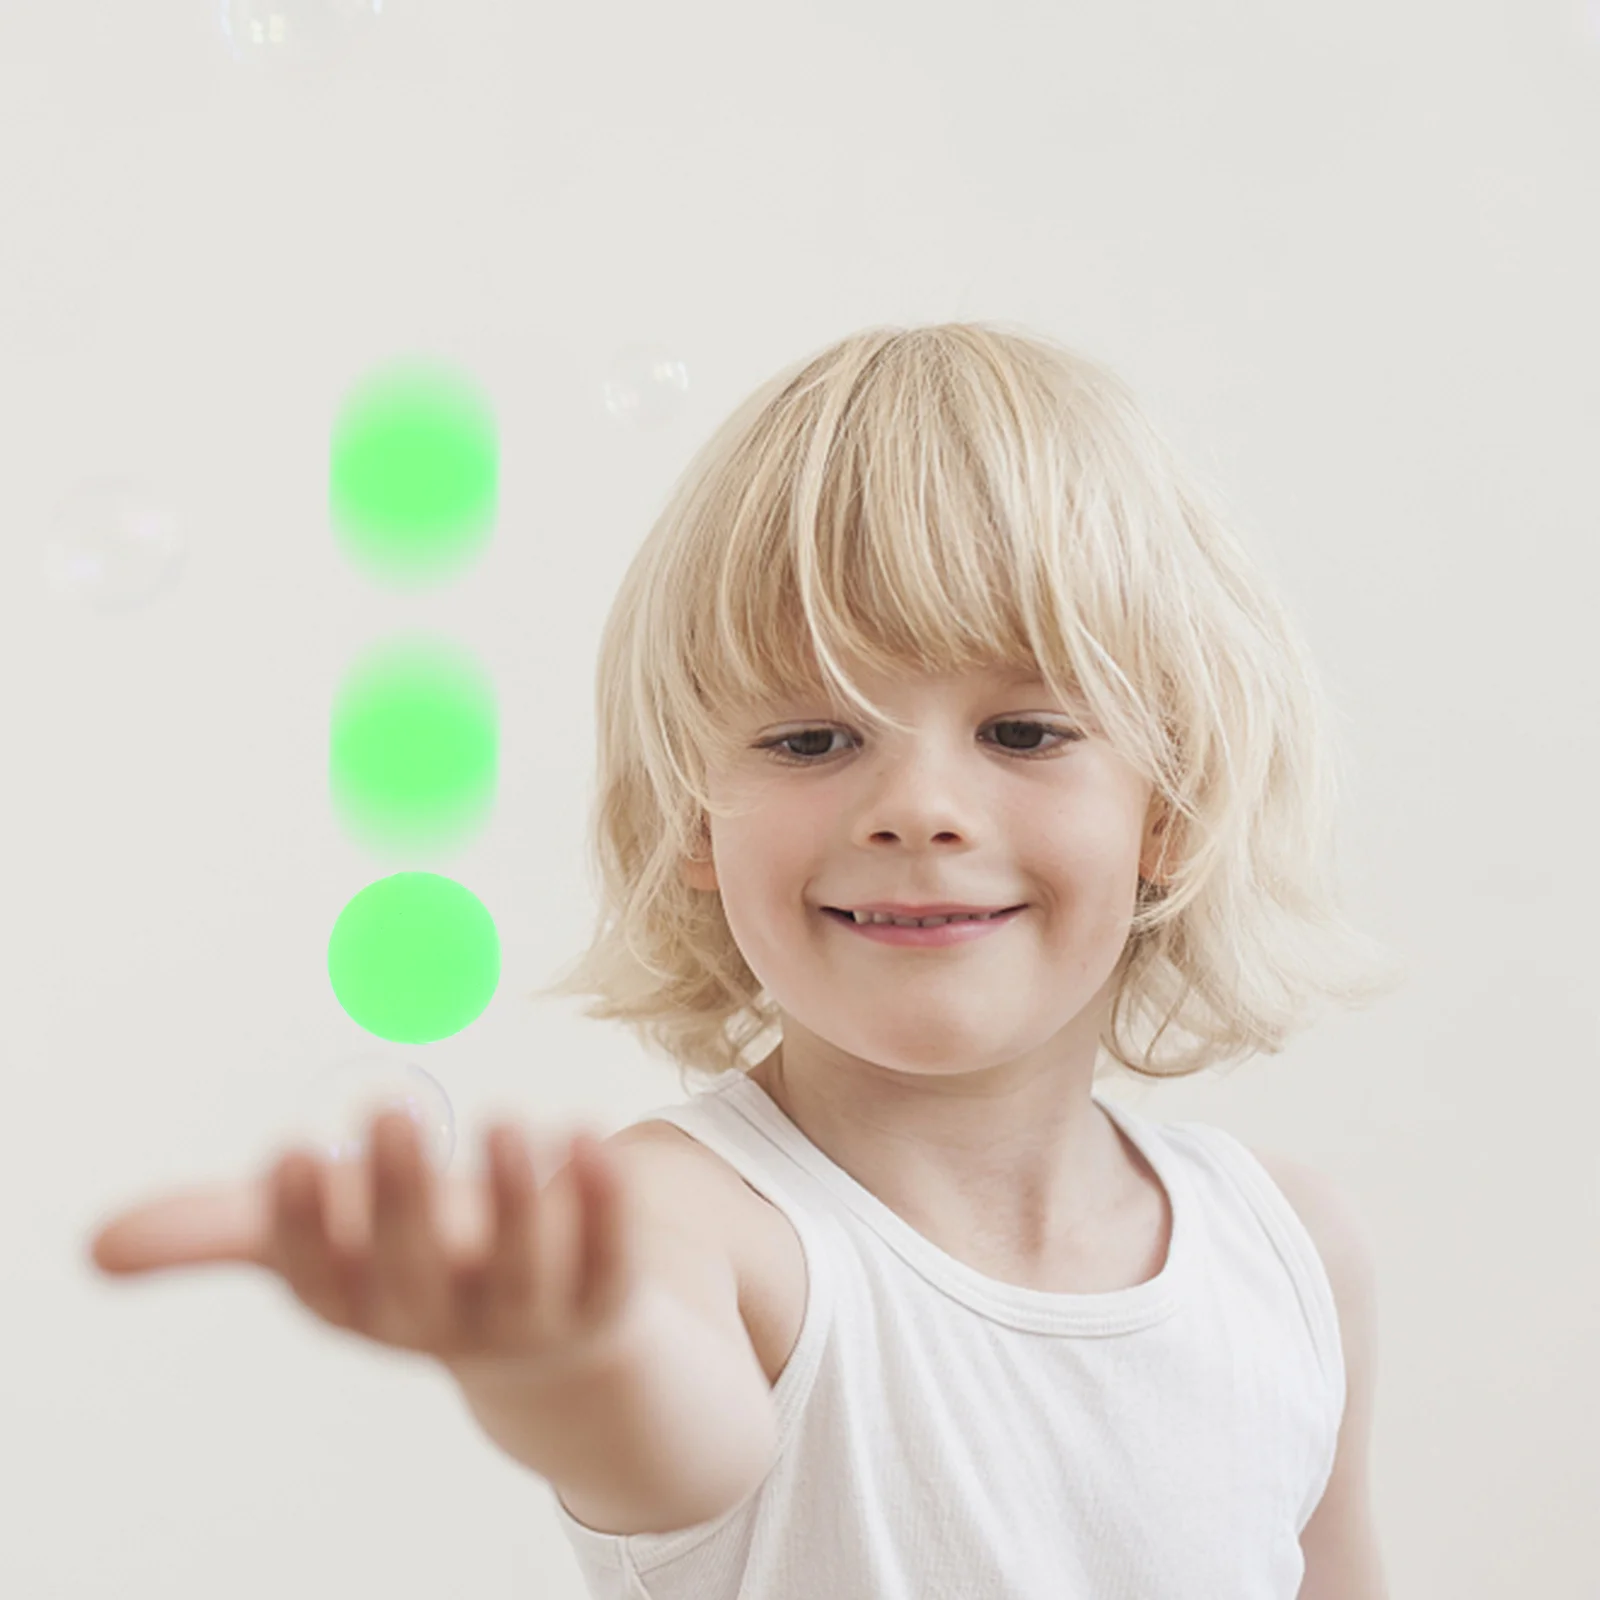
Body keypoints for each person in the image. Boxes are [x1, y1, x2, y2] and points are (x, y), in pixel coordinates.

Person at [91, 323, 1407, 1599]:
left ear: (1172, 806)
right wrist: (551, 1351)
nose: (918, 809)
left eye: (1022, 731)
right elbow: (665, 1430)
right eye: (811, 740)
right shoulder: (685, 1224)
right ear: (690, 820)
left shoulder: (1289, 1250)